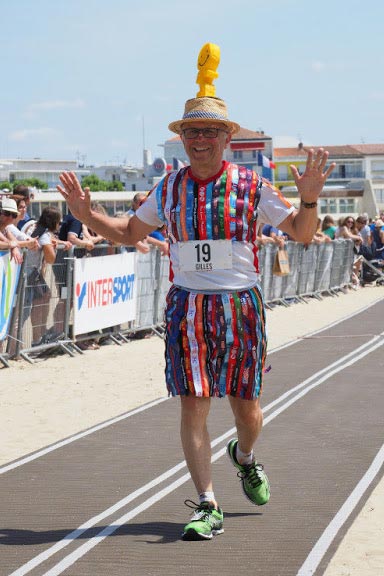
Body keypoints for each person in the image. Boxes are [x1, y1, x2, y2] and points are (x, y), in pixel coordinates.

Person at [58, 93, 335, 541]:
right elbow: (131, 233)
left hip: (241, 307)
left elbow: (303, 235)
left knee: (248, 411)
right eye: (191, 132)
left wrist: (308, 201)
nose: (199, 140)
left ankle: (243, 457)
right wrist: (86, 214)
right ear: (181, 139)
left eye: (209, 131)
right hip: (188, 307)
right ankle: (207, 503)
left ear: (227, 137)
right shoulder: (167, 188)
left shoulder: (253, 187)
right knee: (195, 403)